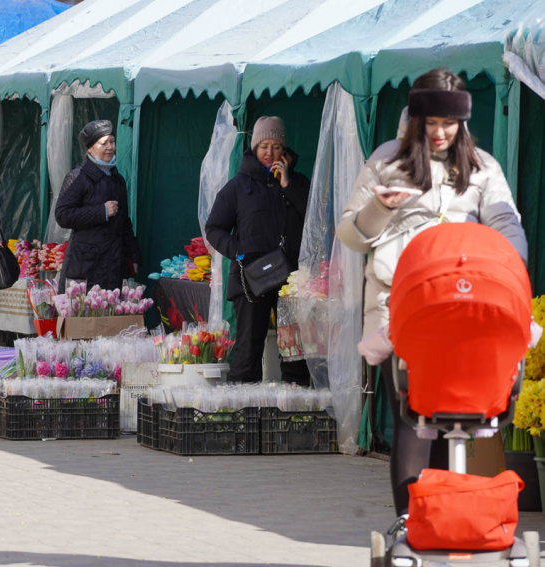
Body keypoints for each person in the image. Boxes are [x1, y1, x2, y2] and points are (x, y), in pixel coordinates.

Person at [336, 68, 528, 526]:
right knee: (412, 415)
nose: (440, 133)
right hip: (396, 310)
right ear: (416, 119)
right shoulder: (387, 162)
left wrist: (507, 269)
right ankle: (410, 520)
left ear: (462, 123)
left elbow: (507, 226)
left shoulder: (482, 167)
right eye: (431, 123)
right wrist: (380, 206)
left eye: (449, 123)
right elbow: (349, 234)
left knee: (455, 417)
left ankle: (449, 520)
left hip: (463, 308)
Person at [205, 117, 311, 385]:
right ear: (254, 148)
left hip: (291, 281)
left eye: (276, 146)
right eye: (264, 146)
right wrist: (238, 252)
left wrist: (288, 185)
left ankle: (294, 409)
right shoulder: (237, 187)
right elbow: (214, 227)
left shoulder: (297, 182)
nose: (270, 153)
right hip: (251, 279)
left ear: (284, 151)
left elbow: (313, 218)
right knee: (248, 348)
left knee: (294, 350)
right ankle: (243, 412)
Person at [55, 120, 141, 293]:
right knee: (85, 317)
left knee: (111, 316)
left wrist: (133, 255)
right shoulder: (77, 177)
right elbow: (62, 215)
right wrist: (101, 211)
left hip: (114, 263)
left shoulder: (118, 180)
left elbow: (124, 222)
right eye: (103, 143)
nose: (110, 147)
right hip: (85, 265)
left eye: (112, 141)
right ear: (89, 149)